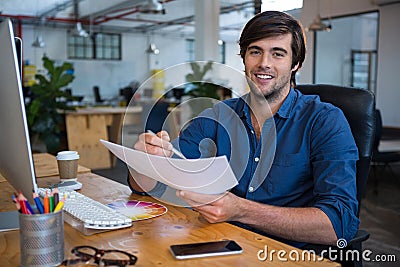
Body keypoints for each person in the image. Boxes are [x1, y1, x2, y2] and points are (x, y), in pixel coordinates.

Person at [128, 10, 359, 249]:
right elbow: (152, 185)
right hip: (222, 244)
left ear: (296, 64)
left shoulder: (325, 121)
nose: (264, 63)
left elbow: (338, 225)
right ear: (244, 58)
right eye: (255, 51)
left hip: (287, 254)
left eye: (277, 54)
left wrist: (240, 211)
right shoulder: (218, 116)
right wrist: (147, 162)